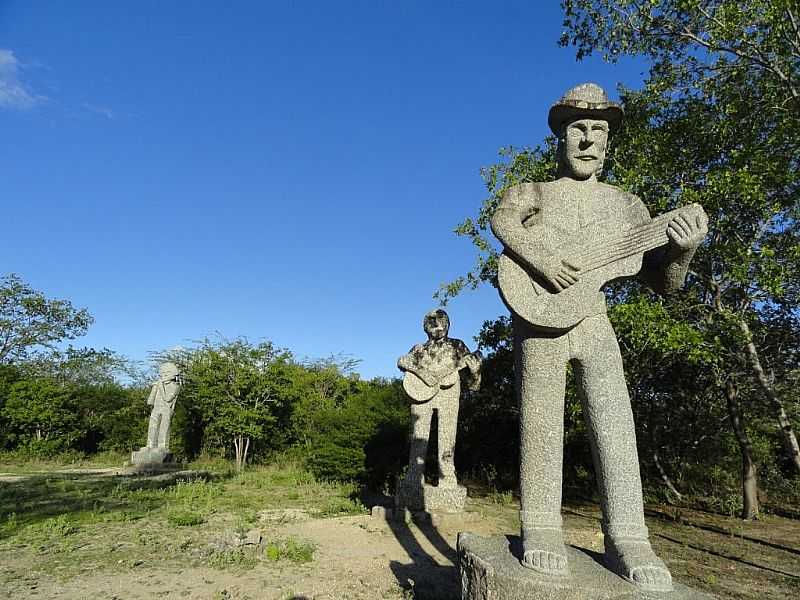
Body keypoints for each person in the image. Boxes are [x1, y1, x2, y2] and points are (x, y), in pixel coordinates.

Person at [490, 83, 707, 592]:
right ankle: (541, 527)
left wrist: (684, 252)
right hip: (539, 318)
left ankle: (629, 537)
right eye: (577, 130)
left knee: (615, 422)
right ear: (561, 139)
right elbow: (501, 220)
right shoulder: (534, 192)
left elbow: (663, 285)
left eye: (598, 131)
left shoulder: (629, 207)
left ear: (609, 143)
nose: (587, 140)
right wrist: (542, 258)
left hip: (595, 321)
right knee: (541, 422)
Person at [397, 309, 481, 488]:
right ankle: (414, 473)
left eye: (441, 321)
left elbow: (473, 386)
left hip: (449, 394)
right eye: (432, 322)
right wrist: (425, 375)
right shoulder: (419, 349)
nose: (437, 326)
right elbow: (402, 361)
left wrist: (475, 373)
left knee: (448, 435)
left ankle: (447, 475)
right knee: (418, 435)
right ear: (425, 327)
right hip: (421, 394)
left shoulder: (457, 347)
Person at [145, 361, 181, 450]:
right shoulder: (158, 385)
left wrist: (160, 386)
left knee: (164, 428)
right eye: (163, 373)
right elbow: (150, 402)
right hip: (156, 408)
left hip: (166, 409)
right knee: (152, 427)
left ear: (173, 374)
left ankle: (162, 446)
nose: (164, 375)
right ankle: (149, 445)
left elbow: (167, 399)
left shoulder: (175, 386)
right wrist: (154, 388)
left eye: (167, 373)